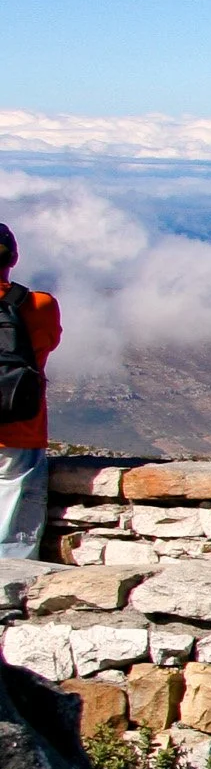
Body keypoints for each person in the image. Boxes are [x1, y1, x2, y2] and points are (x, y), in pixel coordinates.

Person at [0, 223, 61, 560]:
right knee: (14, 536)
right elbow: (49, 342)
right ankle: (8, 600)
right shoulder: (39, 305)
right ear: (14, 257)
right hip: (20, 432)